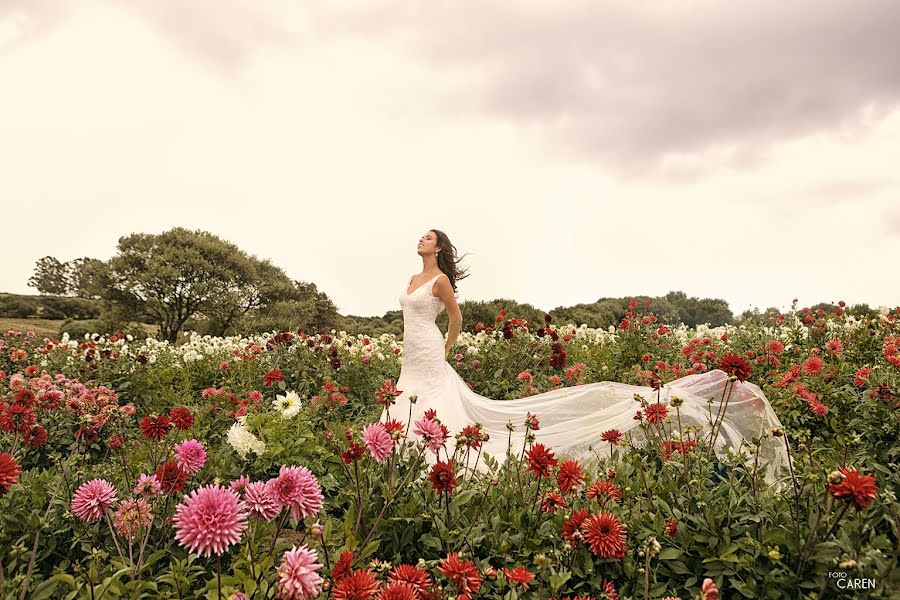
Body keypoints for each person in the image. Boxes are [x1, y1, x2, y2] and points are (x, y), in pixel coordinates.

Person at [380, 229, 790, 491]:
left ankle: (432, 459)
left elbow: (456, 317)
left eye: (427, 238)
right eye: (420, 237)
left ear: (439, 248)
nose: (420, 240)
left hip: (431, 352)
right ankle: (397, 452)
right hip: (409, 355)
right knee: (406, 397)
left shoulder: (440, 280)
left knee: (434, 402)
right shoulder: (411, 280)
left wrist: (446, 346)